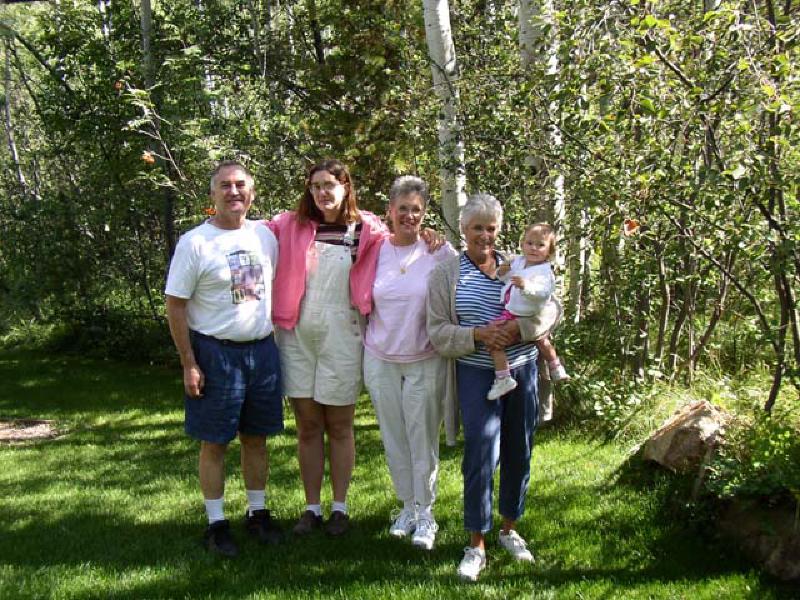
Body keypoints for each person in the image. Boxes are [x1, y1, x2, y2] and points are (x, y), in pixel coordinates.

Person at [165, 161, 284, 558]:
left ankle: (258, 513)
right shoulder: (195, 243)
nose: (234, 192)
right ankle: (216, 524)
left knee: (256, 438)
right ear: (212, 194)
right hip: (216, 354)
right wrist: (189, 362)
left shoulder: (265, 235)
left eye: (241, 185)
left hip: (263, 350)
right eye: (225, 186)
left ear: (251, 193)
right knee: (214, 442)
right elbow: (176, 304)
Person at [427, 193, 541, 582]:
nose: (485, 236)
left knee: (519, 447)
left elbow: (549, 308)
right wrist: (477, 334)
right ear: (463, 230)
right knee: (480, 450)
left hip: (522, 368)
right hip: (476, 374)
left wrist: (517, 329)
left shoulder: (519, 263)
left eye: (491, 228)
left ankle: (509, 528)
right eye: (477, 227)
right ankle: (476, 541)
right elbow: (437, 330)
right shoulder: (446, 273)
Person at [363, 176, 457, 550]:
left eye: (416, 209)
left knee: (422, 439)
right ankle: (406, 507)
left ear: (424, 213)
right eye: (403, 208)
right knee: (393, 437)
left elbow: (465, 287)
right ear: (390, 210)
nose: (409, 216)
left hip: (424, 358)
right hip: (380, 358)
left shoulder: (440, 253)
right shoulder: (374, 250)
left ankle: (426, 514)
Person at [487, 222, 570, 401]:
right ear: (522, 244)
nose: (534, 248)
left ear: (549, 250)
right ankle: (554, 367)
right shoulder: (518, 261)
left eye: (540, 245)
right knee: (540, 340)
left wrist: (526, 286)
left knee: (495, 342)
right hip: (514, 310)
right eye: (530, 243)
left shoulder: (544, 271)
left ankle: (504, 377)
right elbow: (505, 279)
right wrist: (502, 271)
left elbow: (543, 293)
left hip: (529, 313)